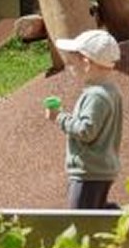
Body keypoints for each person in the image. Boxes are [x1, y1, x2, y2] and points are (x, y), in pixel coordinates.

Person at [51, 29, 125, 209]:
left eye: (71, 63)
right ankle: (115, 215)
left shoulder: (96, 96)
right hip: (100, 169)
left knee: (80, 219)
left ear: (86, 63)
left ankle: (121, 217)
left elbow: (86, 131)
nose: (69, 68)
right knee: (94, 212)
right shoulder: (111, 91)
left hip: (89, 171)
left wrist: (59, 117)